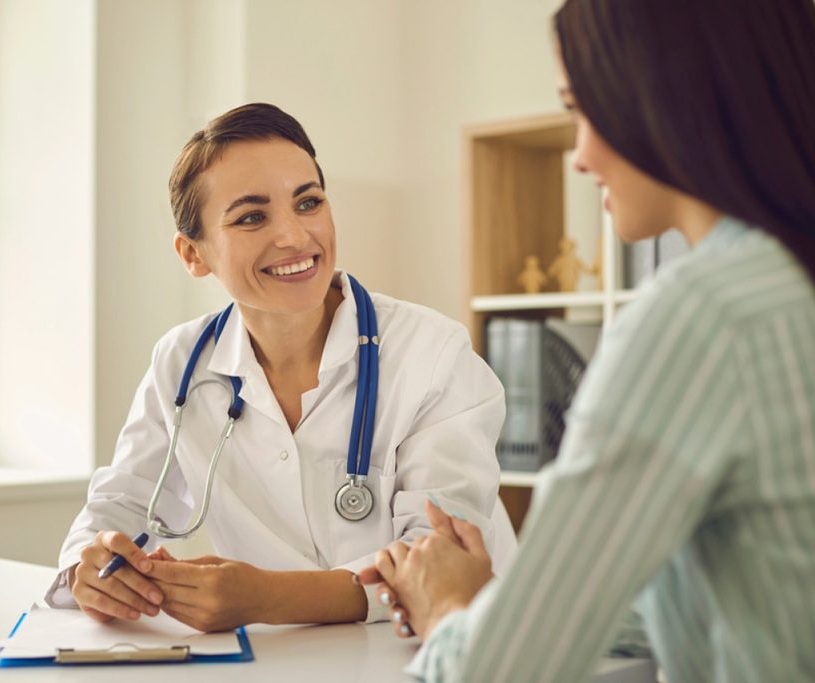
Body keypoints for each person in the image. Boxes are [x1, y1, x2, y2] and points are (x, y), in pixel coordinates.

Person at [360, 0, 815, 680]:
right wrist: (511, 604)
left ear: (664, 95)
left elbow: (500, 671)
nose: (579, 157)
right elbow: (738, 585)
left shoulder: (698, 318)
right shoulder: (781, 289)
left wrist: (450, 607)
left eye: (581, 110)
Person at [45, 103, 517, 631]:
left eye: (308, 202)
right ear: (193, 254)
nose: (294, 237)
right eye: (252, 217)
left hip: (455, 647)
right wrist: (90, 567)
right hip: (286, 657)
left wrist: (267, 598)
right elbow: (121, 504)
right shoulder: (181, 362)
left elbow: (441, 560)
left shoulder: (431, 352)